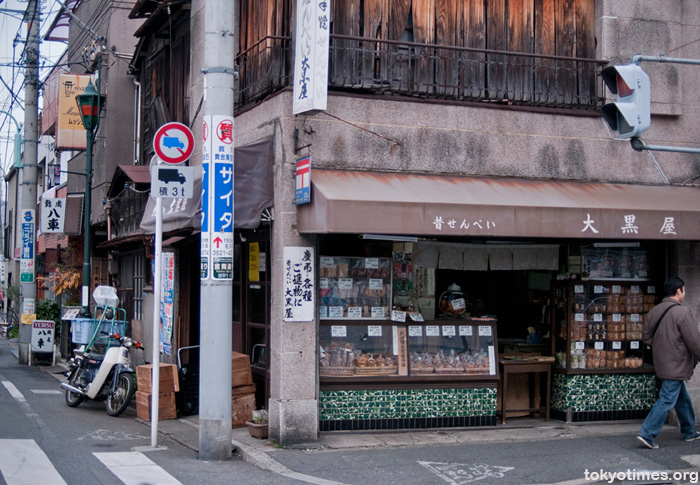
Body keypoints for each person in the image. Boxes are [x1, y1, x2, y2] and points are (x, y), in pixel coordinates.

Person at [638, 276, 700, 449]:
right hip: (677, 363)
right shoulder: (682, 312)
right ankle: (647, 434)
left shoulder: (655, 311)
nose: (685, 293)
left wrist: (662, 348)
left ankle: (689, 431)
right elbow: (694, 341)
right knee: (666, 399)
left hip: (662, 363)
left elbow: (646, 337)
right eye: (684, 290)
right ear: (679, 290)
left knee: (681, 398)